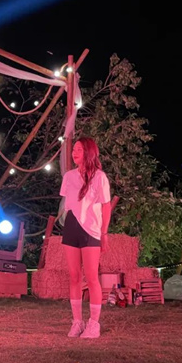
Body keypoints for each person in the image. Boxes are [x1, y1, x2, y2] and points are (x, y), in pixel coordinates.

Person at [59, 137, 111, 339]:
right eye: (74, 150)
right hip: (71, 226)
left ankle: (94, 324)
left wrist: (104, 233)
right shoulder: (69, 176)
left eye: (79, 149)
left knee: (91, 277)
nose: (74, 153)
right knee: (74, 276)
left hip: (91, 230)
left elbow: (106, 206)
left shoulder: (100, 177)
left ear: (89, 152)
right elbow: (67, 204)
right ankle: (77, 322)